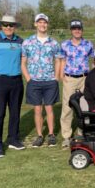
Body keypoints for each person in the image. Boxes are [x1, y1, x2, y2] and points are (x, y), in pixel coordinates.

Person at [21, 13, 62, 147]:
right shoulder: (27, 42)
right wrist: (28, 79)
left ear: (47, 24)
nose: (42, 25)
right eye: (40, 22)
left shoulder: (54, 43)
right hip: (34, 82)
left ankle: (51, 134)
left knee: (49, 109)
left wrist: (56, 77)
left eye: (44, 22)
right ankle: (39, 135)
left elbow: (58, 60)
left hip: (50, 81)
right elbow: (23, 63)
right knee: (37, 110)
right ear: (35, 24)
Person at [0, 15, 25, 158]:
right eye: (6, 25)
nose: (8, 28)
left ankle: (13, 139)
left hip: (16, 80)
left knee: (15, 112)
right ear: (1, 26)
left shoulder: (20, 41)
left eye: (11, 25)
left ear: (15, 27)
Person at [59, 19, 94, 147]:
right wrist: (62, 76)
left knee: (84, 106)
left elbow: (93, 60)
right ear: (71, 30)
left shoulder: (88, 44)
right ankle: (66, 136)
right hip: (70, 79)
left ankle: (82, 132)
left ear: (82, 30)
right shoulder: (64, 44)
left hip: (85, 78)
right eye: (74, 28)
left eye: (79, 28)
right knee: (68, 107)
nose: (77, 31)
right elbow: (62, 61)